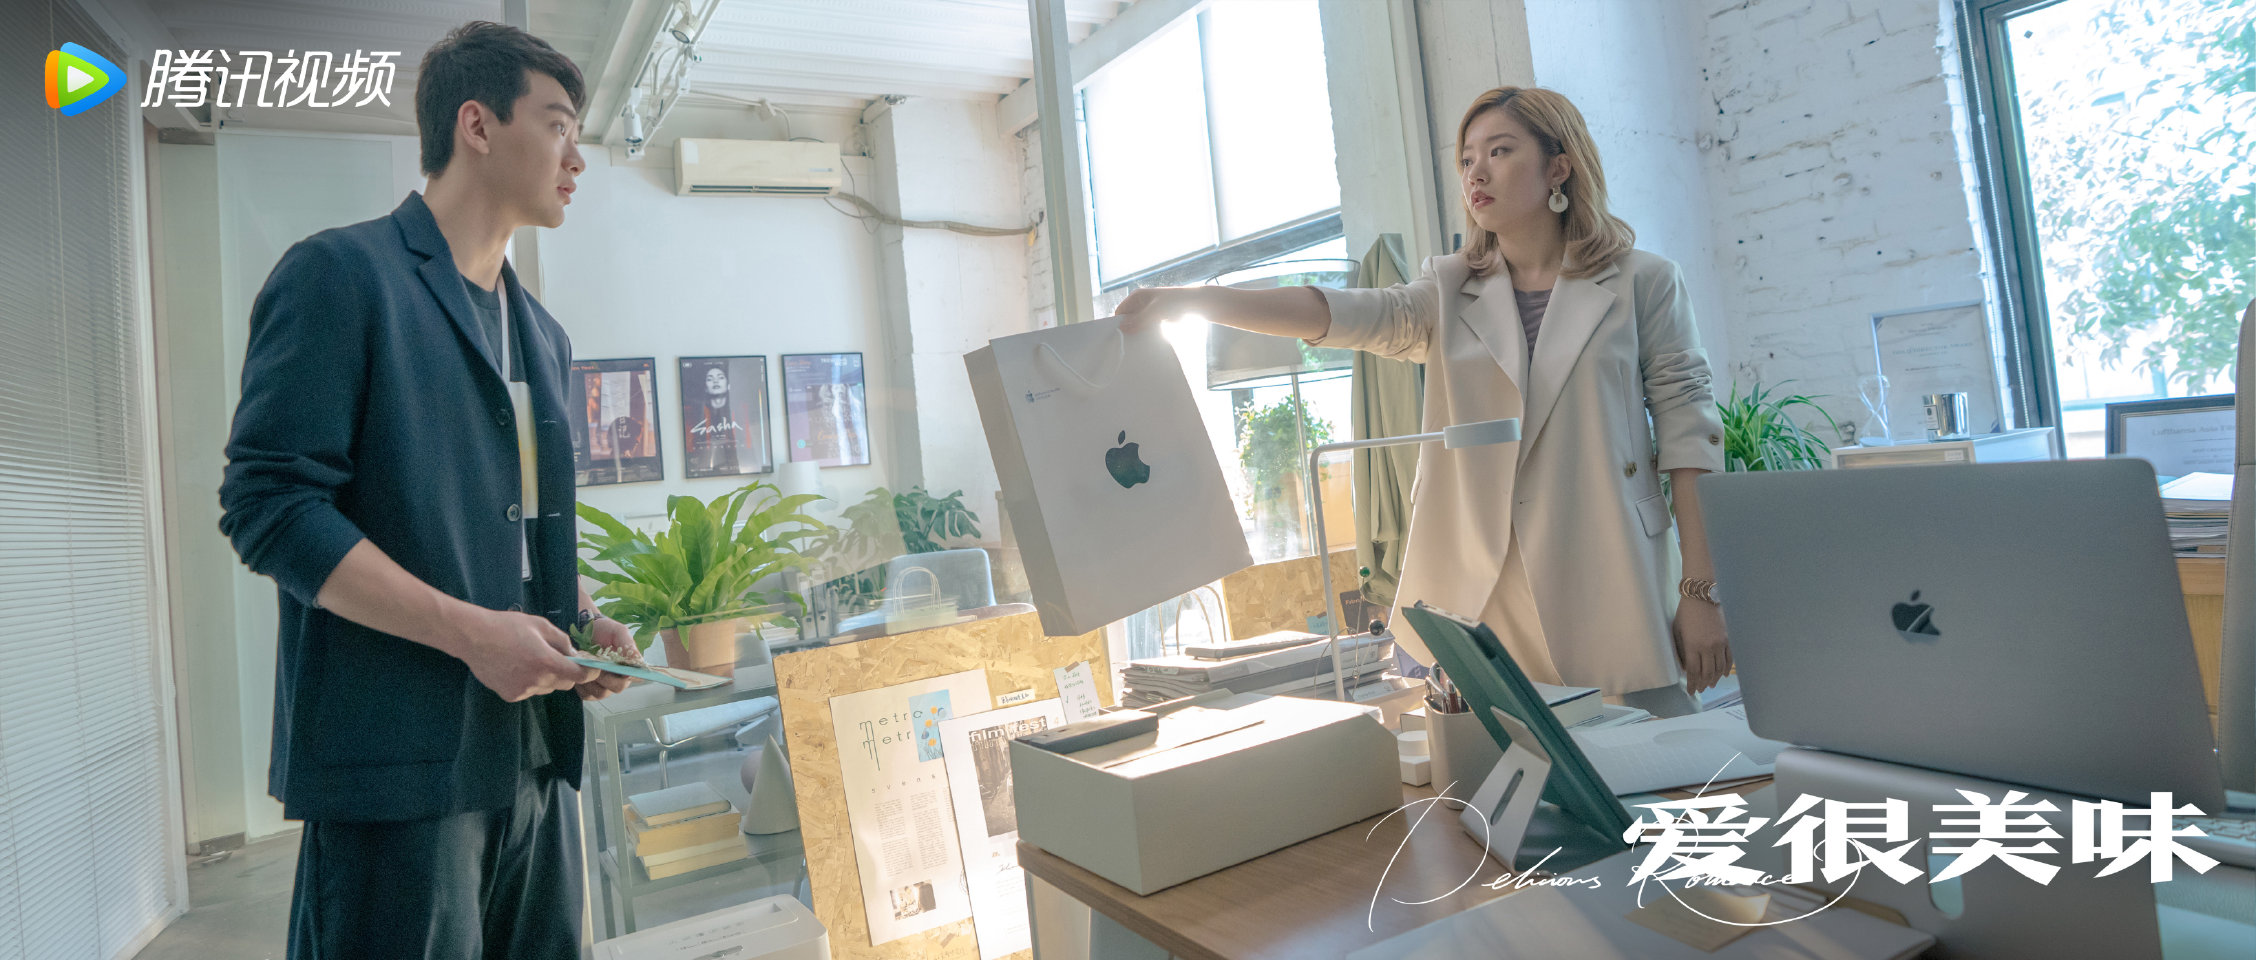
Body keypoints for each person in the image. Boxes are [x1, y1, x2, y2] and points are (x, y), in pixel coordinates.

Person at [217, 21, 636, 959]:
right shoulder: (341, 275)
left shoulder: (543, 335)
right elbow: (270, 507)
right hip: (396, 766)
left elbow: (504, 529)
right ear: (477, 126)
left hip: (533, 757)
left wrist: (579, 618)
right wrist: (469, 634)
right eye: (558, 126)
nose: (578, 158)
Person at [1117, 87, 1730, 716]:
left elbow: (1691, 440)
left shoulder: (1643, 281)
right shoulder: (1448, 287)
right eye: (1467, 159)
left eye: (1499, 151)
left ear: (1558, 167)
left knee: (1657, 762)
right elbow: (1342, 313)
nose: (1476, 173)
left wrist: (1701, 593)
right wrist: (1191, 300)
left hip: (1613, 574)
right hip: (1489, 592)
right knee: (1515, 771)